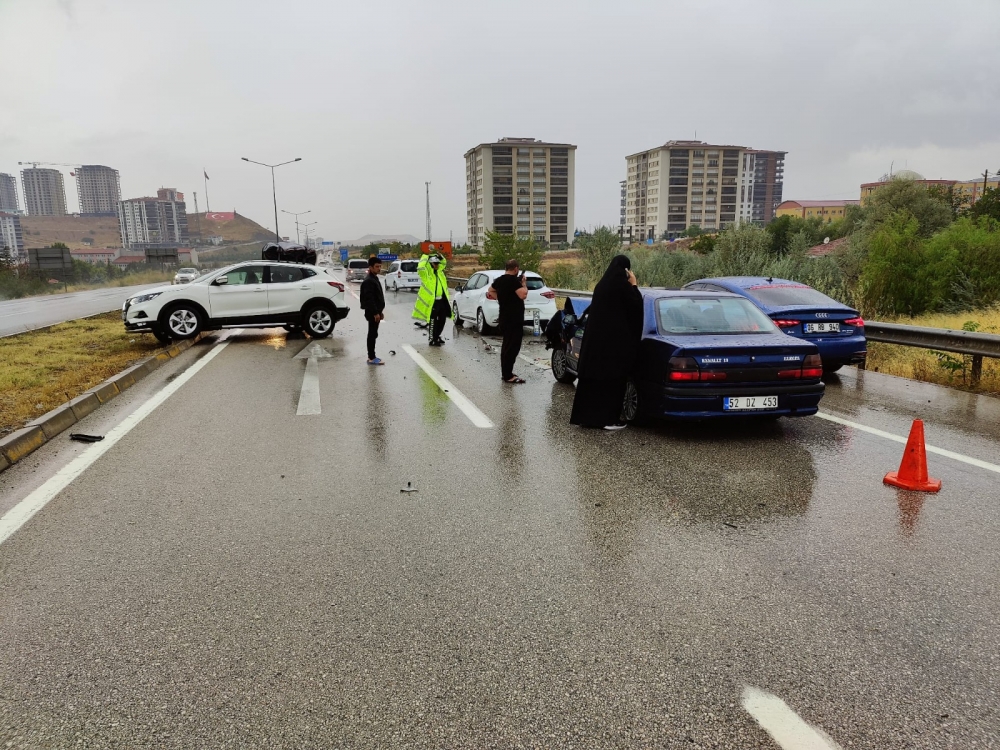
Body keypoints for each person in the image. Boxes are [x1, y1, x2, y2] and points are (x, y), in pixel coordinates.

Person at [570, 255, 643, 430]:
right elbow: (636, 306)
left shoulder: (601, 286)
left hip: (594, 345)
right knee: (611, 382)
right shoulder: (622, 287)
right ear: (626, 270)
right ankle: (609, 419)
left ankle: (586, 418)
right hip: (612, 346)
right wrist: (634, 285)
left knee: (592, 382)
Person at [487, 259, 528, 384]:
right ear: (515, 269)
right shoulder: (513, 281)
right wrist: (524, 283)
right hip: (514, 320)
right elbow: (523, 295)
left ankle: (506, 372)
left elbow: (490, 290)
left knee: (506, 346)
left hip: (504, 318)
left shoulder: (499, 280)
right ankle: (508, 375)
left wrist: (501, 298)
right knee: (512, 347)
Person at [413, 252, 450, 346]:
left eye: (438, 263)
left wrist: (440, 256)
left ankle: (437, 336)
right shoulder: (426, 275)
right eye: (435, 263)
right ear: (430, 264)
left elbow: (444, 263)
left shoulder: (440, 272)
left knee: (442, 320)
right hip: (432, 302)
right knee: (433, 321)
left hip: (441, 301)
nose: (437, 265)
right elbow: (421, 267)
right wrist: (426, 256)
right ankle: (432, 339)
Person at [359, 256, 386, 365]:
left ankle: (372, 356)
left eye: (380, 266)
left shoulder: (374, 278)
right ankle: (371, 357)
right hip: (372, 312)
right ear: (370, 267)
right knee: (372, 334)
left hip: (376, 312)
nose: (379, 268)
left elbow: (377, 297)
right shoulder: (369, 281)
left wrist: (380, 312)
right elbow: (369, 299)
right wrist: (375, 313)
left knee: (374, 334)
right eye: (376, 267)